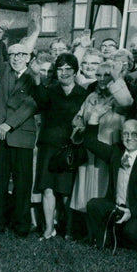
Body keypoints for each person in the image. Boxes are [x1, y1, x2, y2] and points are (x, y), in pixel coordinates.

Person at [0, 0, 40, 236]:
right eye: (14, 54)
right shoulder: (2, 68)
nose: (17, 58)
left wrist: (9, 124)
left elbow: (31, 104)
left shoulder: (35, 76)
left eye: (22, 54)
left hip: (21, 135)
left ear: (29, 57)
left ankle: (21, 225)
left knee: (23, 184)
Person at [69, 60, 133, 239]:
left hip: (108, 150)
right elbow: (78, 119)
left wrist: (117, 78)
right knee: (85, 188)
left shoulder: (118, 97)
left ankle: (104, 231)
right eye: (99, 75)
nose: (102, 79)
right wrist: (80, 125)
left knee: (104, 187)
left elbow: (127, 102)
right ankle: (86, 231)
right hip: (90, 151)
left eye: (107, 75)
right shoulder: (91, 97)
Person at [32, 53, 90, 240]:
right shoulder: (50, 90)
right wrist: (36, 77)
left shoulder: (83, 94)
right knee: (47, 188)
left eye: (68, 69)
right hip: (48, 146)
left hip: (70, 147)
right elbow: (39, 102)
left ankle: (68, 228)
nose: (63, 73)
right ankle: (49, 228)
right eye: (60, 69)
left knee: (66, 190)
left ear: (75, 72)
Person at [83, 115, 137, 251]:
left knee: (132, 233)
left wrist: (132, 212)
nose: (129, 138)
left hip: (136, 212)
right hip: (117, 207)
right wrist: (93, 119)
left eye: (134, 134)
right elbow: (90, 142)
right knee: (93, 205)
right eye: (125, 134)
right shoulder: (116, 153)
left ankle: (124, 236)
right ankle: (106, 237)